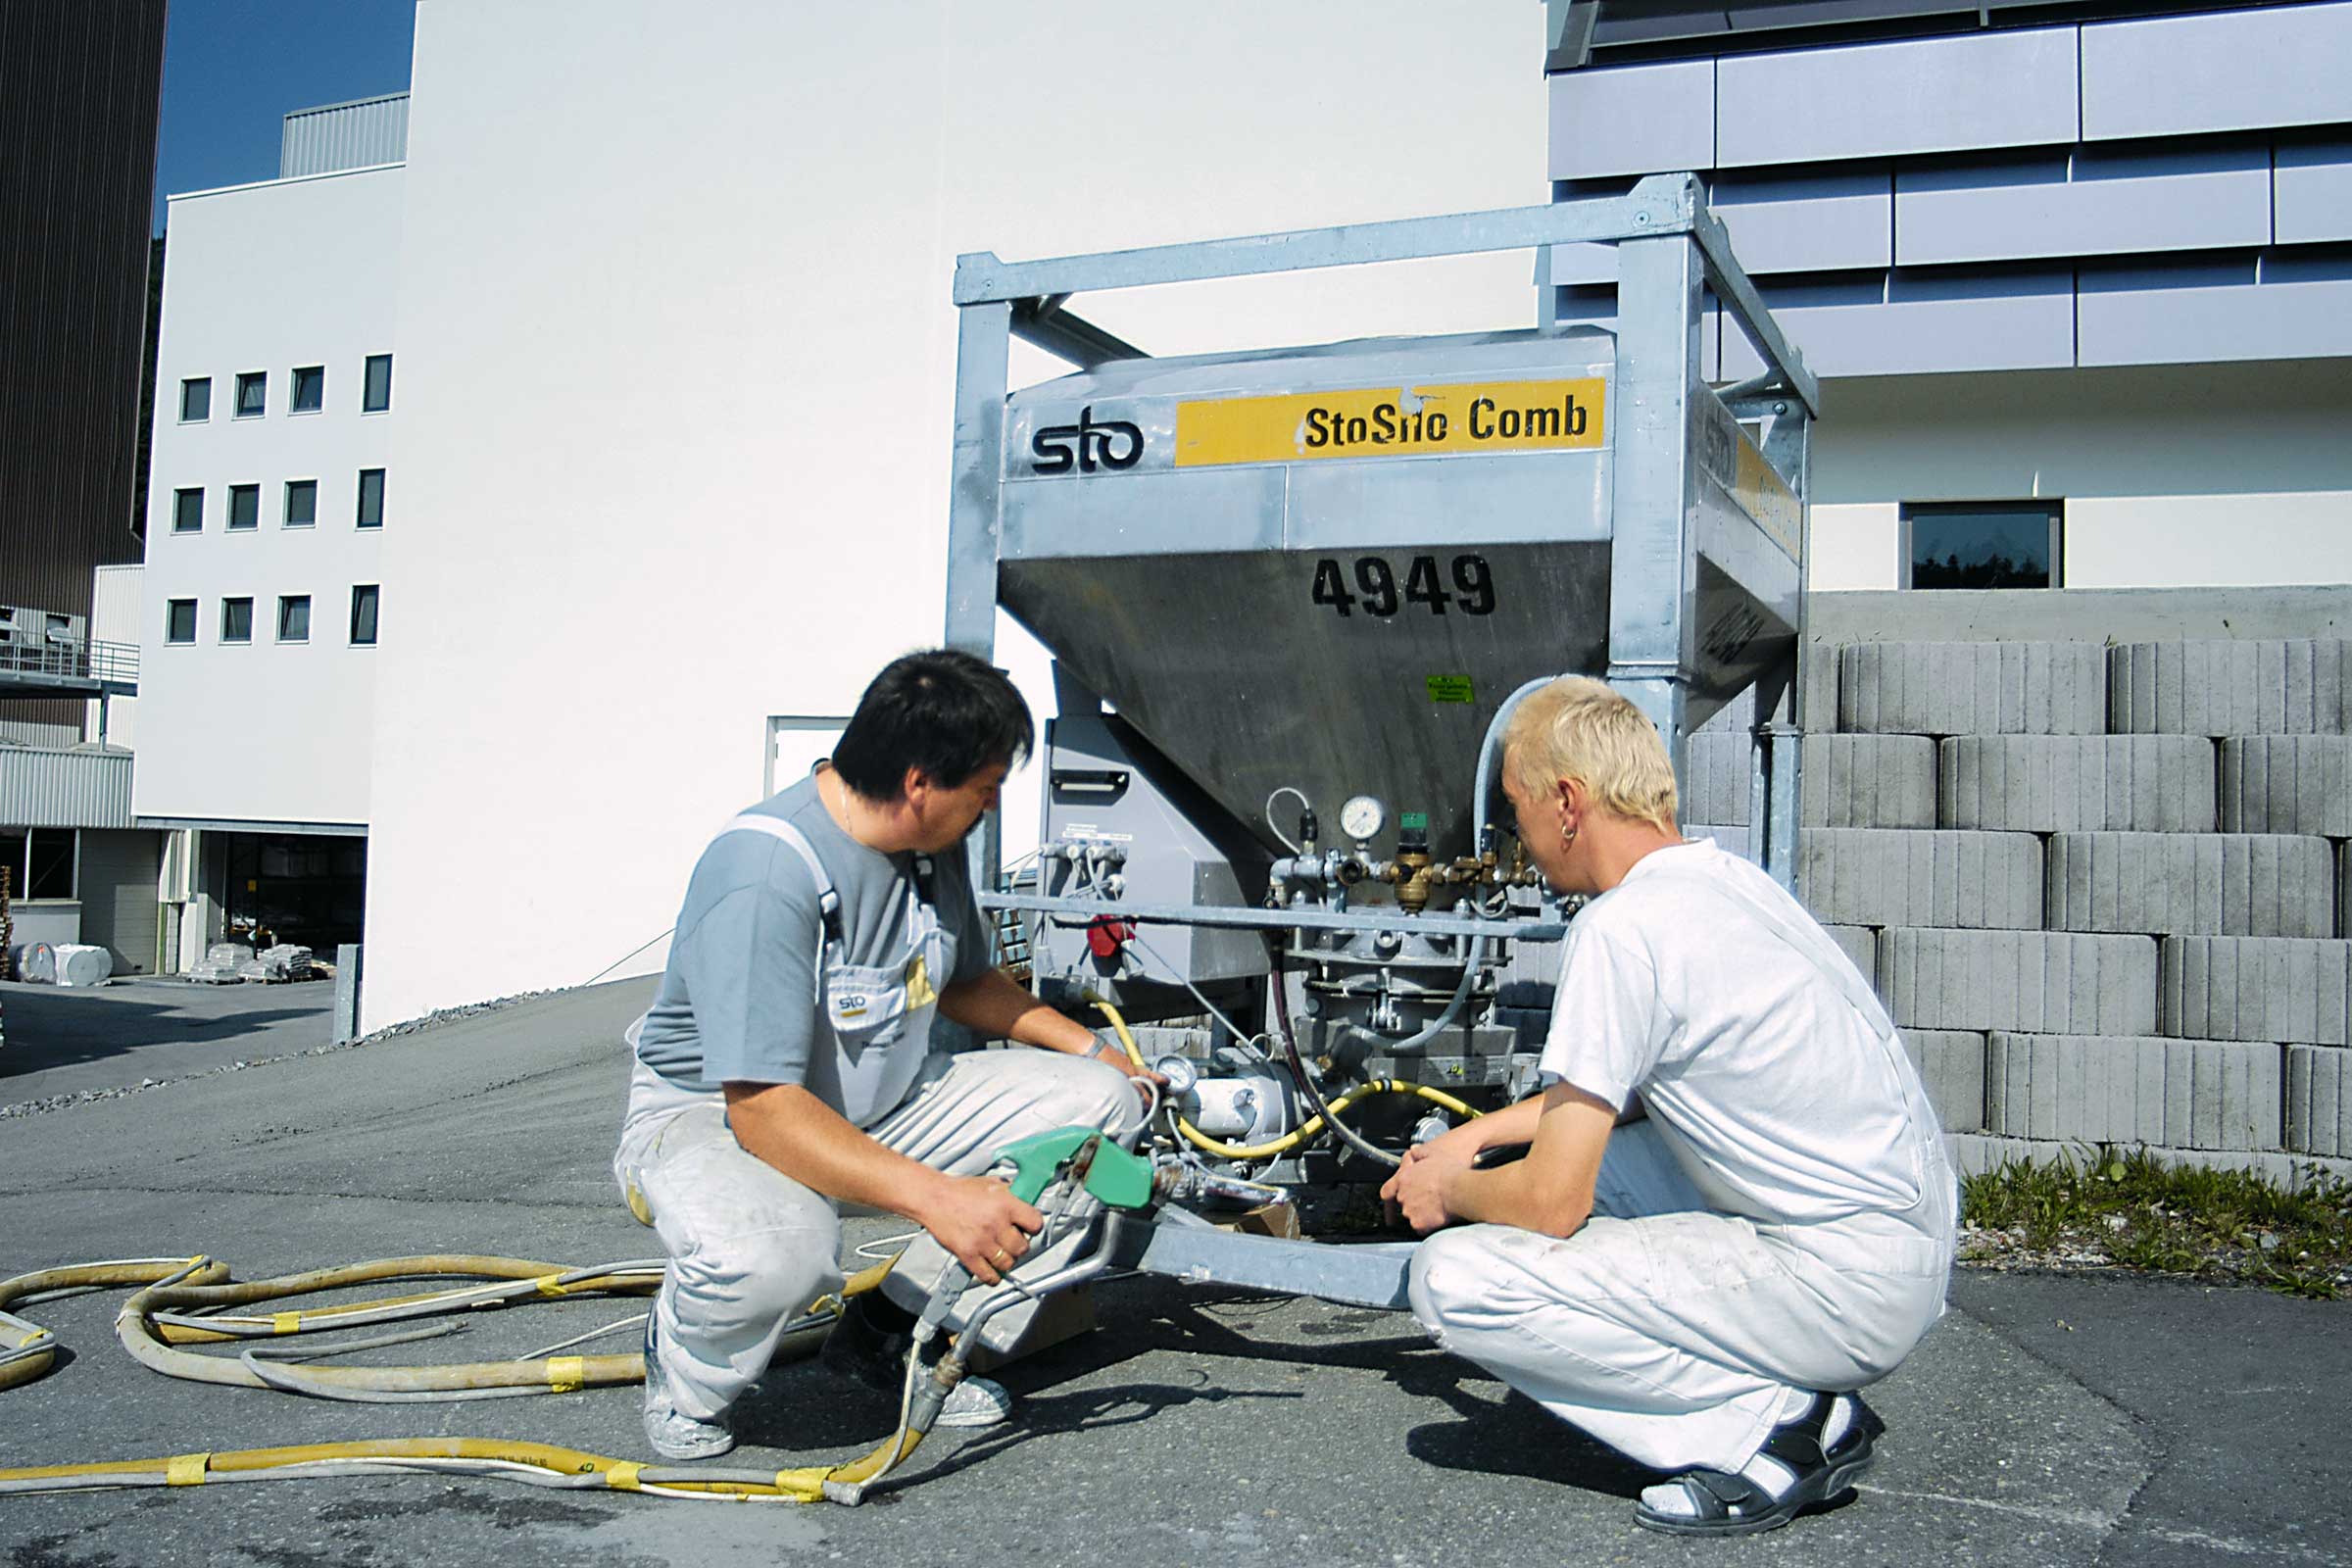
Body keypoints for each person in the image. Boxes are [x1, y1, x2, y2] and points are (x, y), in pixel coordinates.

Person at [1384, 676, 1955, 1537]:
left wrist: (1449, 1191)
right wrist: (1473, 1140)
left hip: (1845, 1289)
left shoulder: (1619, 930)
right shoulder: (1724, 884)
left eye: (1517, 809)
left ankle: (1777, 1431)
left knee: (1457, 1279)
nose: (1518, 838)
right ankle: (1769, 1384)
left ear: (1568, 804)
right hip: (1895, 1250)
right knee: (1578, 1174)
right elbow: (1612, 1092)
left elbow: (1551, 1203)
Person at [613, 648, 1156, 1460]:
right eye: (983, 791)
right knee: (778, 1255)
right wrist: (939, 1199)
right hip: (719, 1121)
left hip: (881, 1099)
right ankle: (687, 1372)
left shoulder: (931, 852)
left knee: (1100, 1113)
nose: (989, 809)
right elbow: (762, 1111)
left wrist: (1091, 1050)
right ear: (917, 784)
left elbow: (968, 981)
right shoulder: (765, 872)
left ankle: (888, 1334)